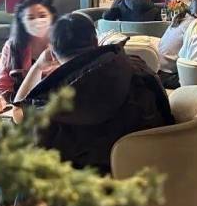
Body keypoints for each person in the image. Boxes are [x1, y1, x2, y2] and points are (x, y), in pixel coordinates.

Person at [13, 13, 174, 174]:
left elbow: (17, 112)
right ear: (96, 42)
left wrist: (38, 66)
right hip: (149, 172)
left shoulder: (50, 102)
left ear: (53, 54)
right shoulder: (137, 68)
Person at [0, 0, 58, 106]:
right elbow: (2, 86)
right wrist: (16, 105)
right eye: (31, 18)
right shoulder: (13, 47)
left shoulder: (62, 44)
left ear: (52, 17)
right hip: (22, 108)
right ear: (22, 22)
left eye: (42, 15)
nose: (38, 21)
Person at [157, 0, 197, 89]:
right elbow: (195, 54)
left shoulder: (183, 16)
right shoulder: (194, 24)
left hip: (160, 70)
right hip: (170, 75)